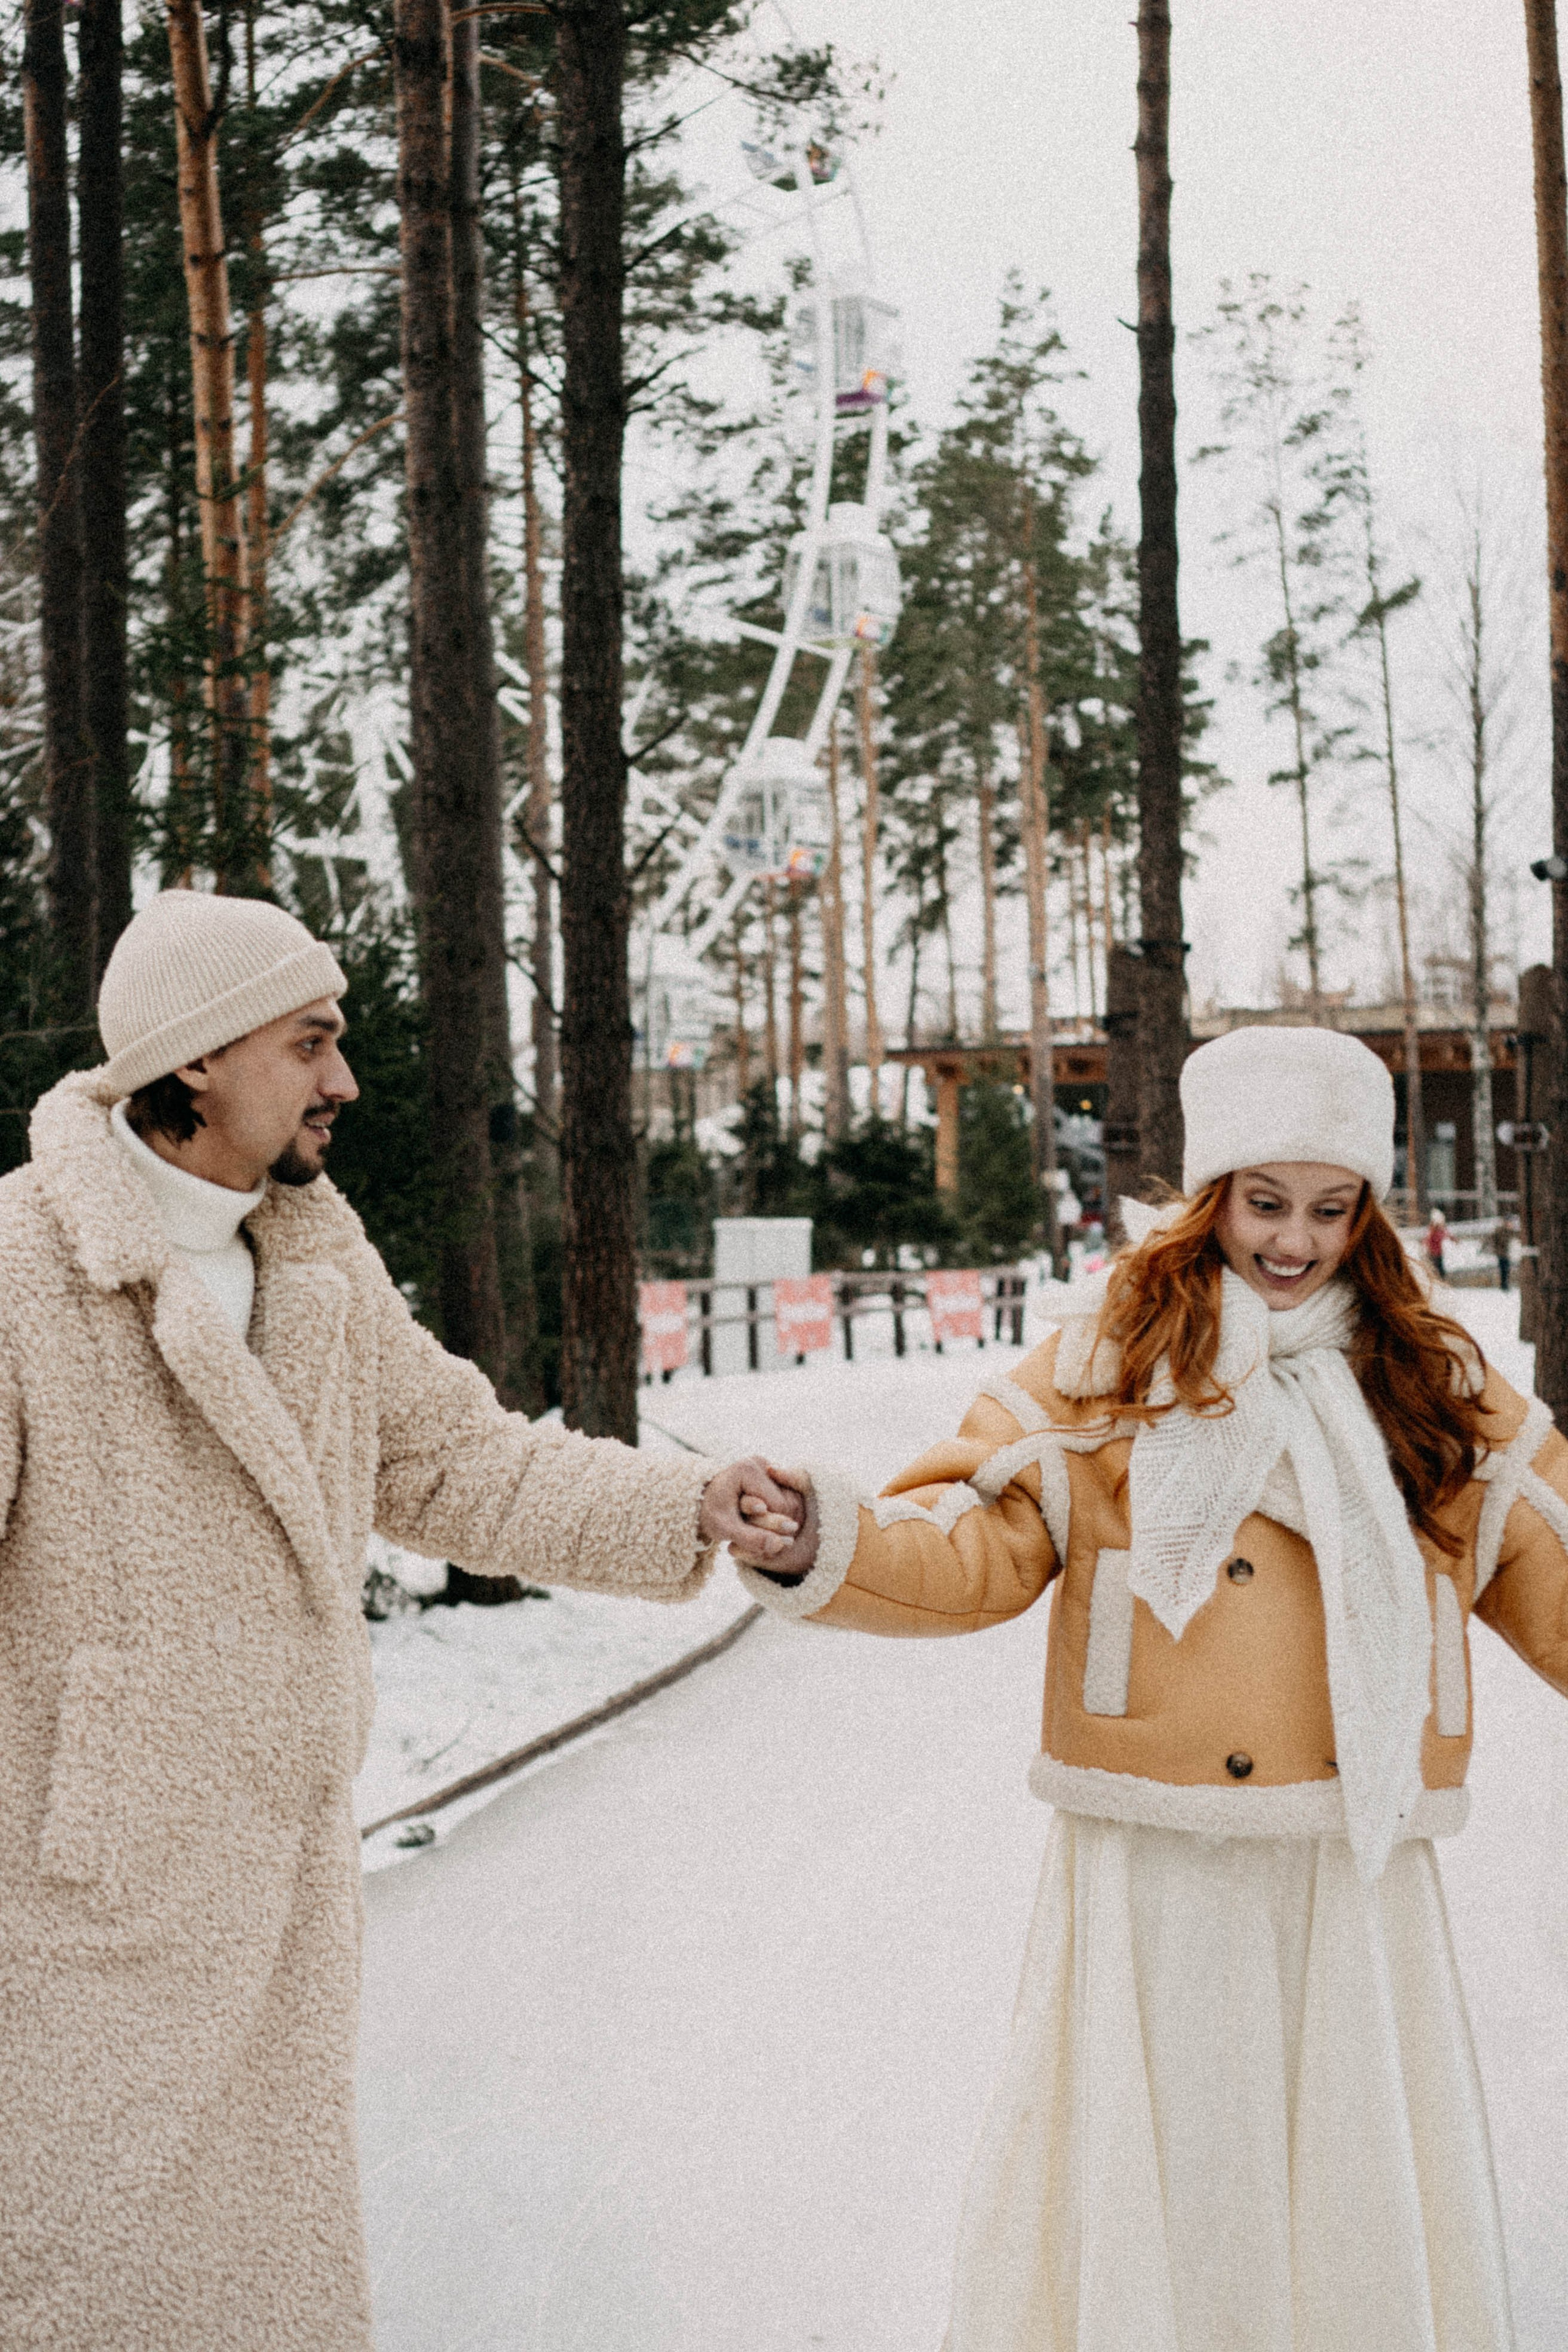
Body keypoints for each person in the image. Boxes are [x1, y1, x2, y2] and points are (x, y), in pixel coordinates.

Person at [0, 891, 799, 2352]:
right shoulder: (19, 1271)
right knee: (83, 2283)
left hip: (284, 1883)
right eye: (310, 1043)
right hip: (83, 1908)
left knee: (255, 2279)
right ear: (193, 1062)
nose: (343, 1082)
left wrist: (685, 1506)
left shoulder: (314, 1259)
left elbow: (454, 1461)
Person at [738, 1025, 1568, 2352]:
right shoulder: (1106, 1367)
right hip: (1151, 1854)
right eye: (1262, 1203)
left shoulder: (1436, 1388)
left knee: (1340, 2186)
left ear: (1366, 1213)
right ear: (1208, 1198)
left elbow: (1551, 1571)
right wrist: (813, 1538)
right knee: (1161, 2176)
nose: (1291, 1241)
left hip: (1345, 1858)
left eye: (1328, 1207)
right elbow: (972, 1538)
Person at [1427, 1202, 1449, 1280]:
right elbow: (1429, 1240)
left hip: (1438, 1253)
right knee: (1437, 1269)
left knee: (1439, 1269)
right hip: (1434, 1253)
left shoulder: (1438, 1230)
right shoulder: (1433, 1231)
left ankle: (1440, 1280)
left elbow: (1445, 1234)